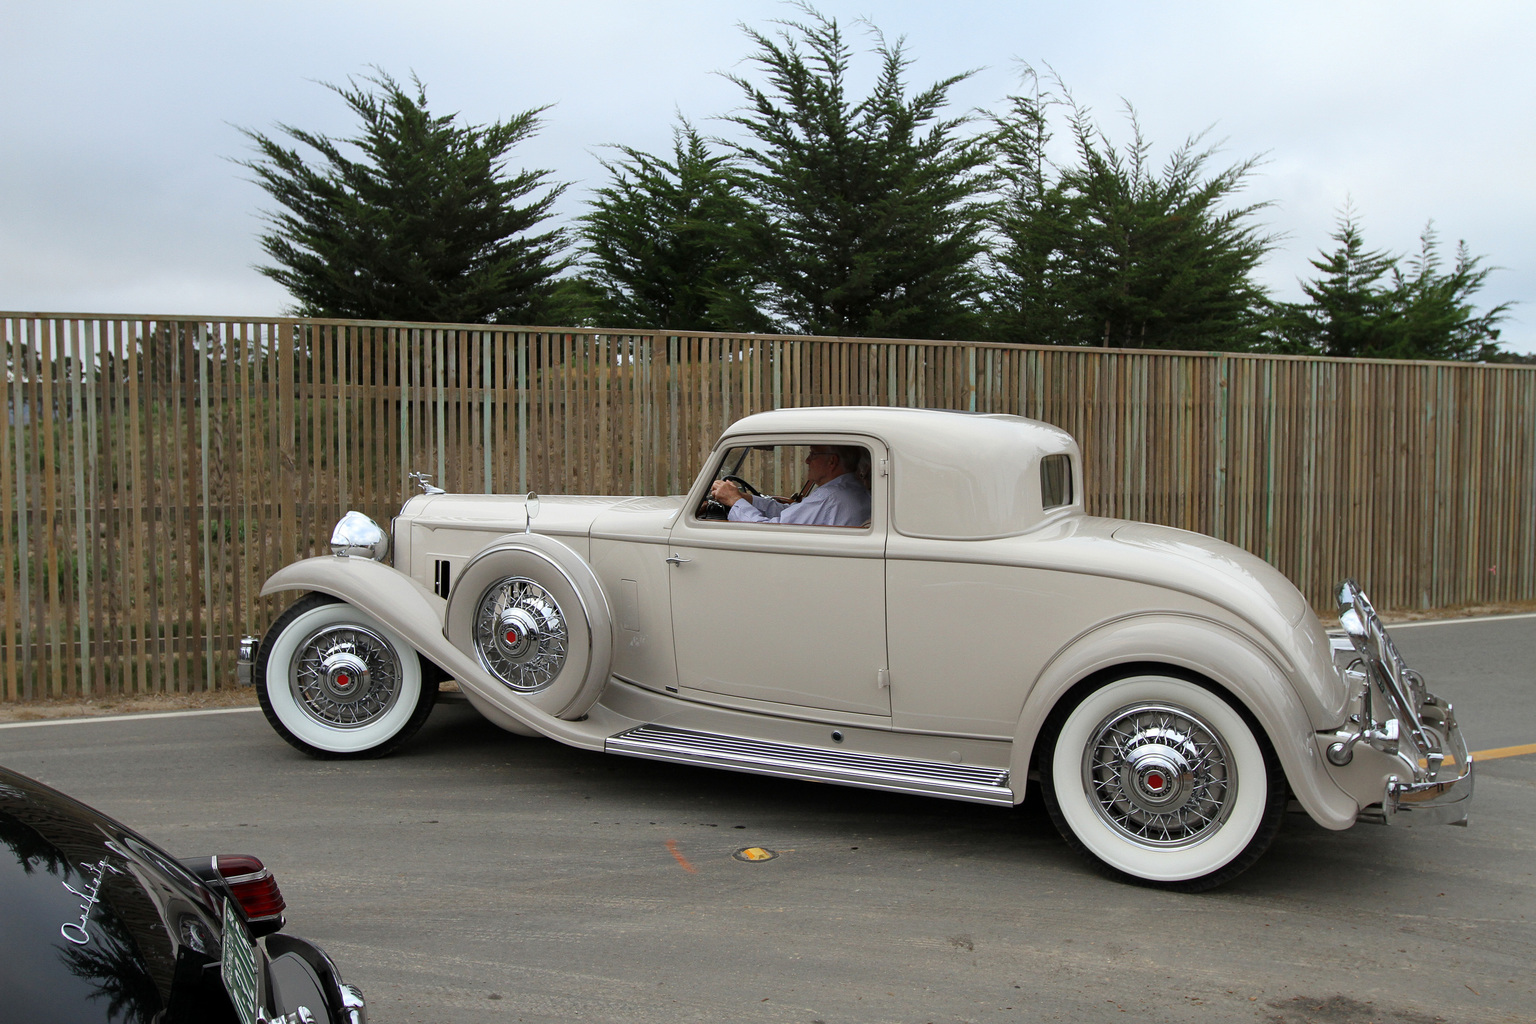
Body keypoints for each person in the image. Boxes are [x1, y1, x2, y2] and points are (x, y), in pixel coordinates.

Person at [709, 446, 871, 526]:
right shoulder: (852, 488)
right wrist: (748, 499)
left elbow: (767, 534)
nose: (807, 460)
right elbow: (792, 514)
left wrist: (735, 501)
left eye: (813, 454)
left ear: (832, 461)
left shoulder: (829, 497)